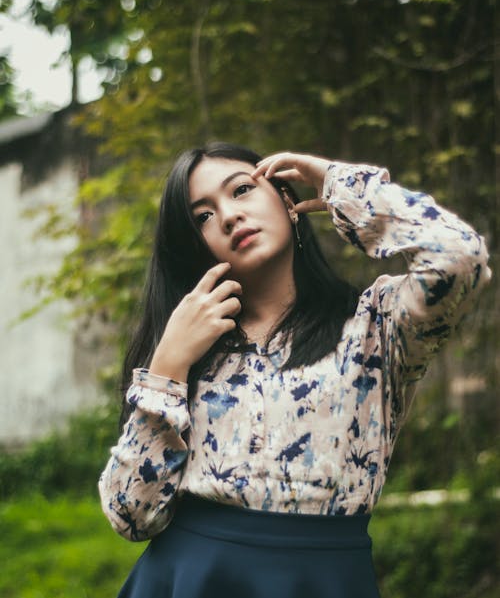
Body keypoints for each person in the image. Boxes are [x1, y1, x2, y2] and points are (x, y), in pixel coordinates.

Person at [98, 143, 491, 598]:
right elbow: (129, 515)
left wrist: (336, 182)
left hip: (323, 579)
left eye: (242, 190)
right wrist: (166, 365)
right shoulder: (187, 347)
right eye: (202, 216)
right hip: (188, 579)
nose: (228, 216)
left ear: (288, 202)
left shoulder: (376, 325)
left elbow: (460, 257)